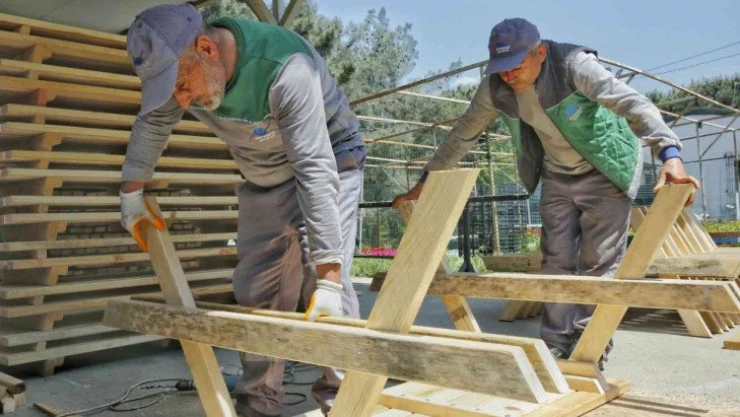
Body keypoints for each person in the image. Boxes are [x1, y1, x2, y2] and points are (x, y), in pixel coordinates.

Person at [392, 18, 699, 367]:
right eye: (502, 68)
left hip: (606, 167)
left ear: (540, 53)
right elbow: (463, 135)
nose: (509, 76)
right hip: (557, 172)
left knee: (598, 264)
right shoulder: (494, 87)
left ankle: (588, 347)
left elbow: (632, 103)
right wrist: (425, 182)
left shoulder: (573, 64)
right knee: (555, 260)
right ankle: (555, 344)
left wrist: (670, 154)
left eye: (516, 66)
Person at [118, 4, 365, 416]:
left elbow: (314, 169)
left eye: (183, 85)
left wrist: (329, 280)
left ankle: (346, 402)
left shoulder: (287, 68)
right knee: (258, 286)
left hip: (330, 158)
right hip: (265, 173)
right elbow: (153, 123)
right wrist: (131, 196)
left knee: (321, 283)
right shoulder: (186, 69)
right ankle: (258, 402)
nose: (181, 100)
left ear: (206, 48)